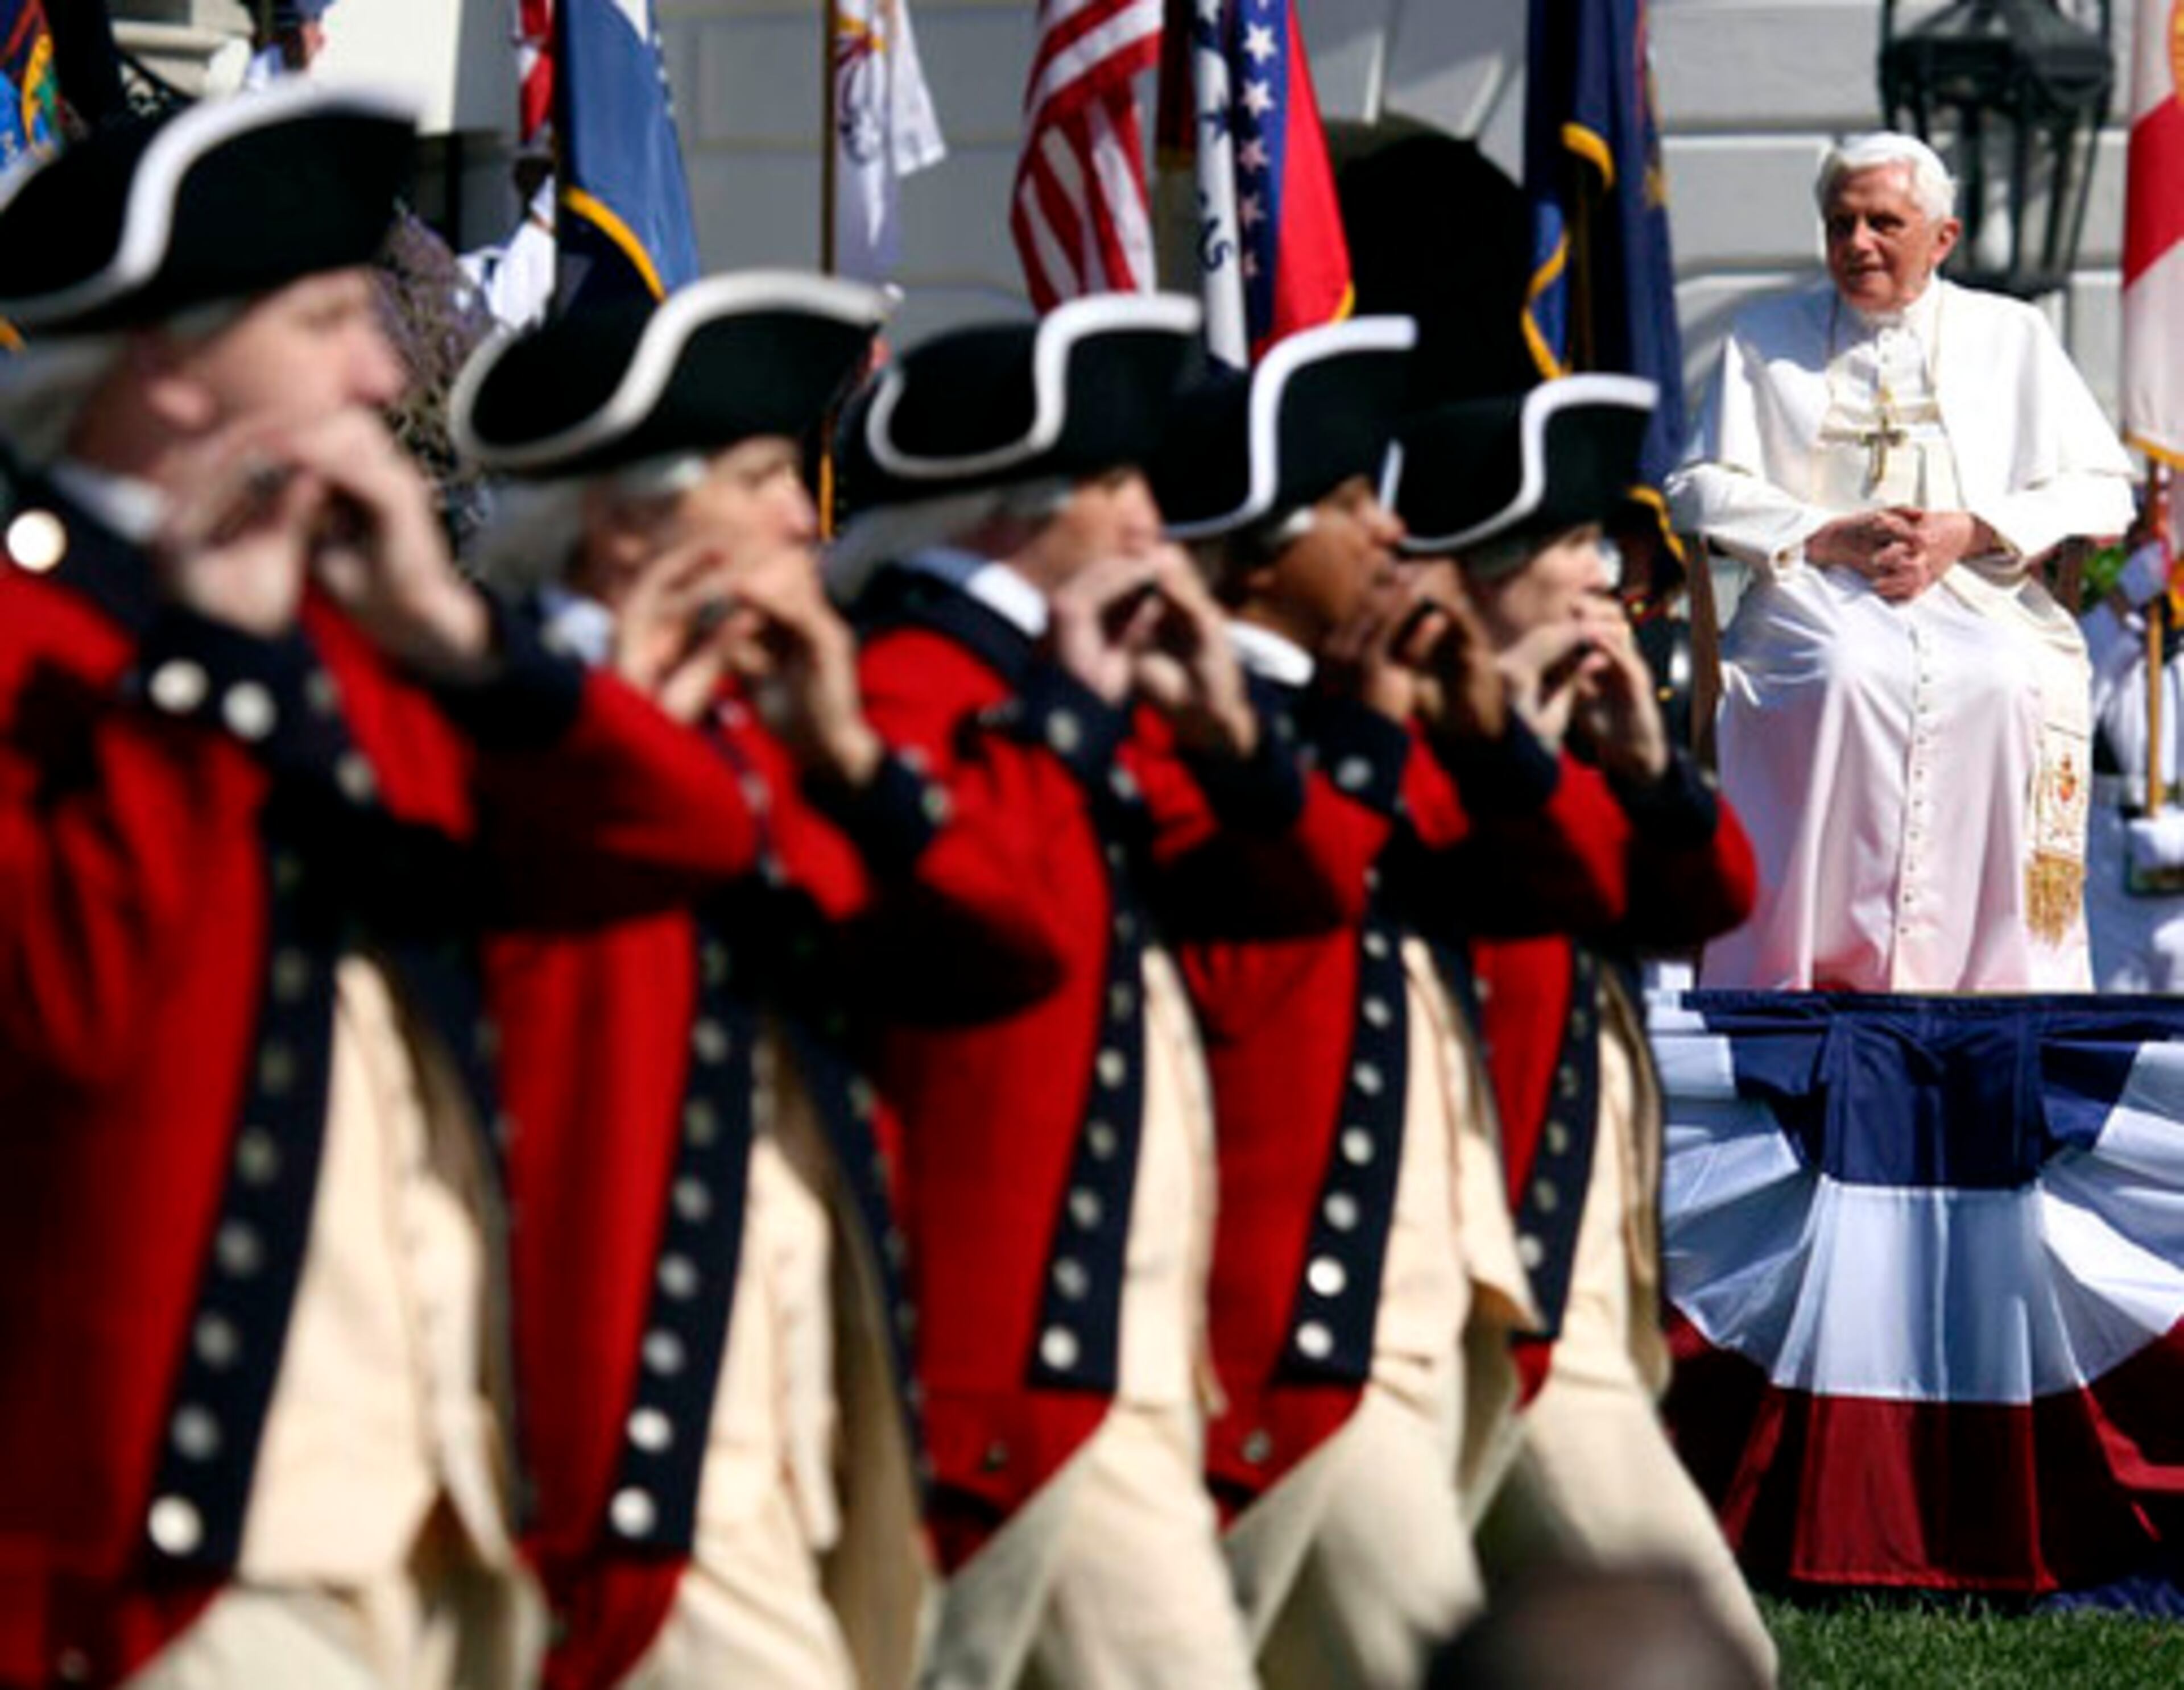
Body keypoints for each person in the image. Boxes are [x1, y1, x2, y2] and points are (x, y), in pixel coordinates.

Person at [0, 85, 776, 1688]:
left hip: (439, 1513)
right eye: (324, 320)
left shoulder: (356, 640)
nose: (379, 368)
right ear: (168, 363)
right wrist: (207, 668)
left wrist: (469, 649)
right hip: (186, 1544)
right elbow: (66, 1022)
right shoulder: (37, 650)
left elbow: (688, 833)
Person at [828, 293, 1358, 1689]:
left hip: (1108, 1345)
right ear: (1014, 506)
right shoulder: (913, 677)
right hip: (987, 1345)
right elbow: (998, 917)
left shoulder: (1075, 680)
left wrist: (1233, 738)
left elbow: (1306, 882)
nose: (1148, 519)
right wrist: (1063, 724)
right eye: (1113, 481)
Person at [451, 273, 936, 1688]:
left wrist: (848, 760)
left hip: (794, 1385)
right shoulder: (499, 724)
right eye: (765, 475)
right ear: (631, 522)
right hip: (618, 1407)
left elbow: (968, 951)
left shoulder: (766, 724)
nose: (805, 516)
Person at [1155, 321, 1644, 1690]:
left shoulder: (1383, 721)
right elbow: (1300, 896)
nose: (1389, 537)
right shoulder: (1193, 726)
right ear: (1257, 549)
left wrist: (1520, 737)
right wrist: (1386, 731)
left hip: (1431, 1290)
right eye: (1350, 505)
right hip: (1296, 1320)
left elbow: (1618, 880)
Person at [1391, 375, 1776, 1684]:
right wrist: (1515, 733)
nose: (1606, 577)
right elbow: (1549, 874)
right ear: (1476, 573)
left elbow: (1710, 894)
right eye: (1568, 546)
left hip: (1565, 1300)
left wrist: (1649, 763)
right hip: (1442, 1299)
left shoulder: (1558, 743)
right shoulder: (1413, 740)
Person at [1667, 131, 2134, 992]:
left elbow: (2108, 493)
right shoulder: (1767, 335)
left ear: (1942, 238)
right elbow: (1694, 488)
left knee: (2000, 683)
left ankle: (1986, 981)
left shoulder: (2012, 335)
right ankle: (1806, 965)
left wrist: (1973, 529)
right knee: (1845, 671)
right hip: (1814, 593)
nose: (1857, 244)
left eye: (1884, 222)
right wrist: (1823, 532)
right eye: (1840, 224)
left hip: (1977, 595)